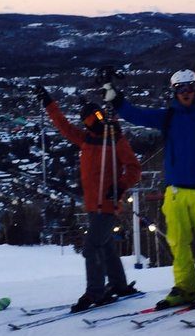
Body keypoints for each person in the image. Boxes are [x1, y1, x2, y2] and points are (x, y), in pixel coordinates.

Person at [106, 69, 195, 309]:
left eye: (189, 88)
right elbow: (137, 115)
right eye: (180, 89)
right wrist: (116, 99)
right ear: (174, 91)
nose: (185, 93)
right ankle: (185, 287)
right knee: (178, 241)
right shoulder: (168, 116)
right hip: (175, 191)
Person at [39, 86, 142, 312]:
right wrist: (49, 103)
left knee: (91, 247)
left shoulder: (115, 139)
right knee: (104, 246)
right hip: (92, 204)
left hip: (107, 203)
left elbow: (134, 168)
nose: (94, 121)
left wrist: (120, 186)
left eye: (97, 116)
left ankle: (95, 291)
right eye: (89, 119)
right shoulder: (87, 139)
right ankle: (119, 284)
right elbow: (63, 125)